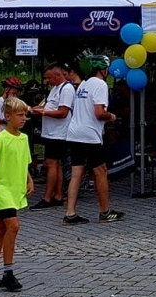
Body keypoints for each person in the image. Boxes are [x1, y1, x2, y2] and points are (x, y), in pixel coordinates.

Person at [0, 96, 34, 292]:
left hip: (15, 189)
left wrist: (29, 179)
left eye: (25, 115)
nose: (23, 119)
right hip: (1, 189)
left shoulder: (24, 139)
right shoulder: (1, 139)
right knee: (13, 226)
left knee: (0, 230)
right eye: (19, 115)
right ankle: (8, 272)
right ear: (8, 116)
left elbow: (24, 162)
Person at [63, 57, 123, 224]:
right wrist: (111, 116)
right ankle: (105, 212)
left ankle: (70, 213)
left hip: (74, 133)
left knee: (76, 174)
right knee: (101, 172)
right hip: (89, 135)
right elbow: (98, 112)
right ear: (102, 69)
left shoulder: (84, 84)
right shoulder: (100, 84)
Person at [36, 63, 73, 207]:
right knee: (55, 164)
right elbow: (48, 106)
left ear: (58, 76)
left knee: (51, 164)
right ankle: (57, 195)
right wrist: (35, 109)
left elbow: (63, 112)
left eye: (49, 78)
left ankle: (47, 197)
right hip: (50, 132)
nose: (47, 81)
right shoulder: (54, 89)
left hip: (59, 134)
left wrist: (43, 112)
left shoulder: (67, 89)